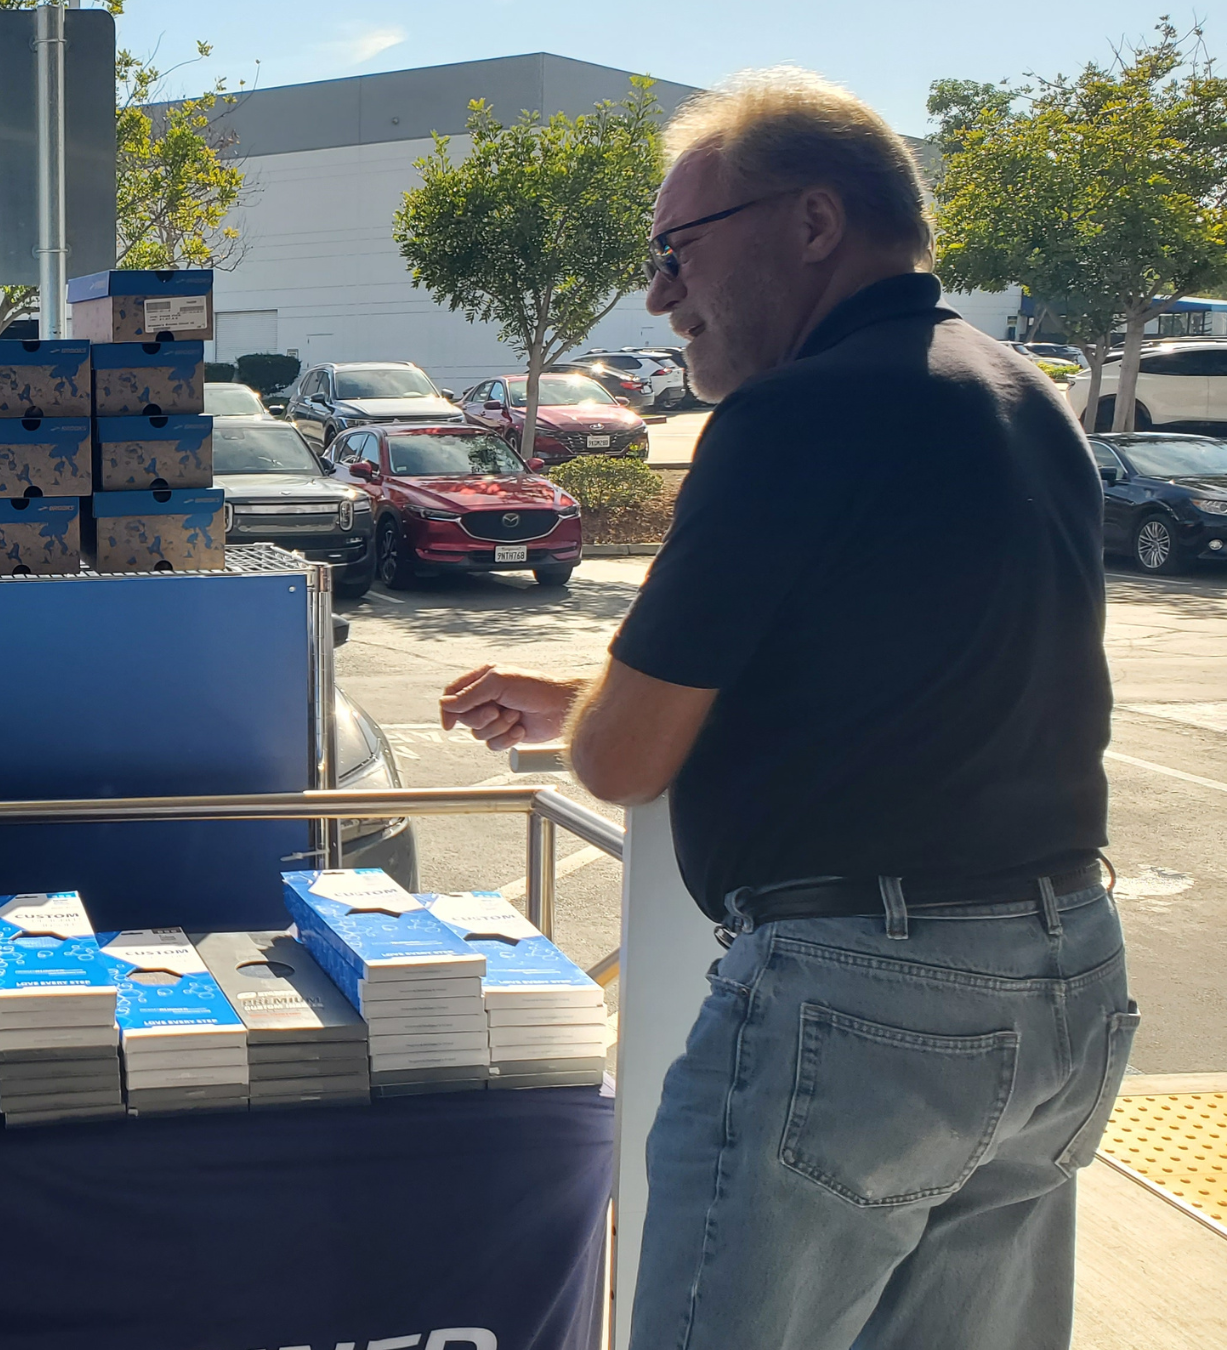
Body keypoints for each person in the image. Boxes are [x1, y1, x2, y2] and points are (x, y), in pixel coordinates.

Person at [441, 70, 1129, 1349]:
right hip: (1068, 982)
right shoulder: (1021, 394)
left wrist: (594, 706)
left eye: (676, 250)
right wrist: (583, 698)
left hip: (868, 1012)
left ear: (815, 223)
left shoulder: (791, 418)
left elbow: (623, 757)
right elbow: (899, 672)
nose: (659, 296)